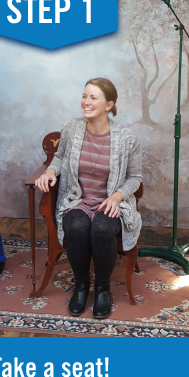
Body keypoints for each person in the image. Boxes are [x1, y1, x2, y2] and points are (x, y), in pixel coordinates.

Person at [35, 78, 142, 319]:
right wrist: (51, 171)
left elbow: (135, 177)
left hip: (110, 202)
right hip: (78, 200)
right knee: (75, 226)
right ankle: (81, 285)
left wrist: (117, 196)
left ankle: (103, 289)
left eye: (94, 97)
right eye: (84, 96)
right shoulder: (72, 128)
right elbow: (59, 158)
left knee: (102, 230)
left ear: (108, 104)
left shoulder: (127, 138)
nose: (86, 102)